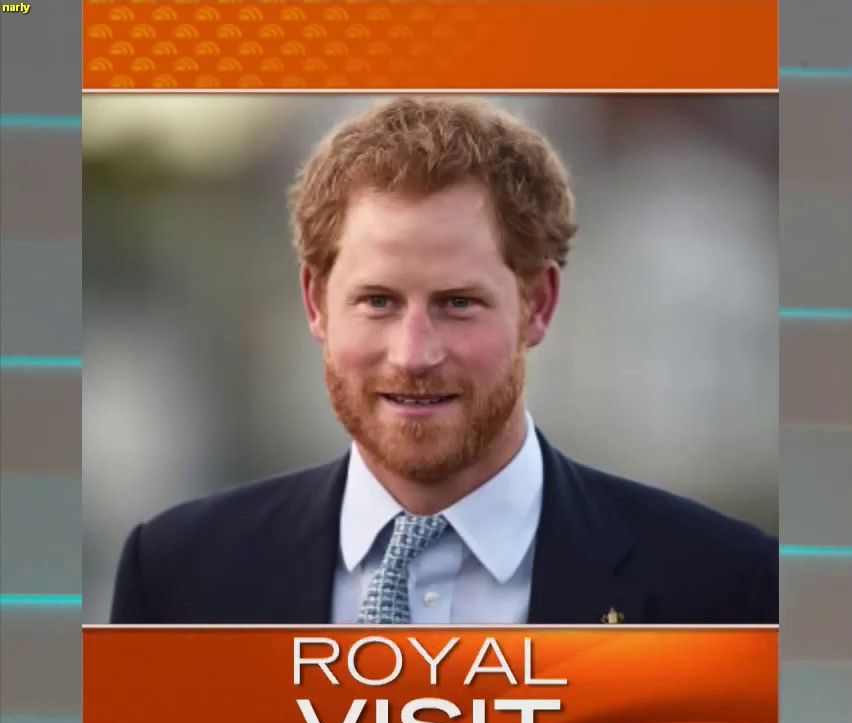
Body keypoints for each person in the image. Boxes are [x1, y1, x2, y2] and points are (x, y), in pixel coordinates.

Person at [109, 97, 776, 627]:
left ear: (539, 305)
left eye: (458, 304)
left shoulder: (723, 589)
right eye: (377, 301)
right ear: (315, 303)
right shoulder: (177, 579)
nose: (413, 355)